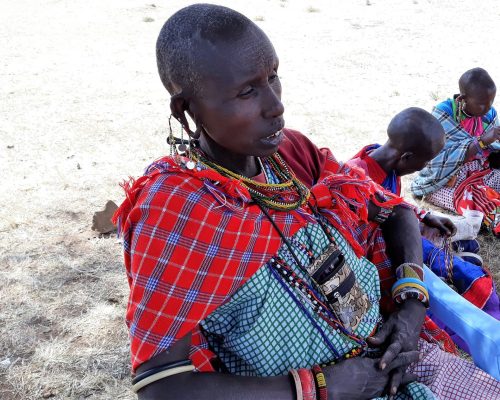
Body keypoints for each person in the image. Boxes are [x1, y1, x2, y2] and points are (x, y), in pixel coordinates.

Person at [113, 5, 500, 399]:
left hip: (392, 355)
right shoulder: (175, 209)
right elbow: (160, 385)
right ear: (186, 109)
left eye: (273, 77)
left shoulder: (289, 153)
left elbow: (395, 211)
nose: (276, 105)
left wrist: (411, 307)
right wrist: (321, 387)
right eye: (247, 90)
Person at [347, 108, 500, 353]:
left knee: (445, 255)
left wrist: (425, 215)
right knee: (436, 279)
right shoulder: (356, 177)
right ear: (406, 157)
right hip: (376, 257)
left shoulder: (383, 161)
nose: (425, 167)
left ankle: (480, 295)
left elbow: (396, 205)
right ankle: (480, 310)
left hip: (395, 240)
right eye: (426, 161)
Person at [411, 68, 500, 236]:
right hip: (446, 180)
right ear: (462, 99)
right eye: (483, 104)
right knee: (477, 196)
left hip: (480, 171)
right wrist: (482, 141)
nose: (488, 109)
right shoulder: (443, 114)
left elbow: (492, 151)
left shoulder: (489, 114)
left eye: (491, 102)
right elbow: (438, 160)